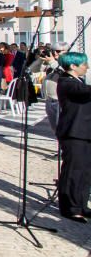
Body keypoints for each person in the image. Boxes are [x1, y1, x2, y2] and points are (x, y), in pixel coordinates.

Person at [56, 52, 91, 223]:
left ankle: (82, 205)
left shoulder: (77, 82)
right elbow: (85, 92)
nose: (87, 67)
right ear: (73, 66)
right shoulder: (67, 82)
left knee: (85, 171)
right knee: (73, 171)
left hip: (84, 132)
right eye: (84, 64)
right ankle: (70, 208)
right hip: (73, 132)